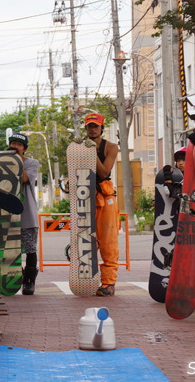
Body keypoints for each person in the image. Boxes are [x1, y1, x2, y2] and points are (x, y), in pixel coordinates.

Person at [84, 112, 120, 296]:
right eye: (89, 126)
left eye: (95, 126)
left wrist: (91, 153)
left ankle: (108, 282)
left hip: (105, 197)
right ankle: (86, 278)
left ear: (101, 128)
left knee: (107, 240)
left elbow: (105, 172)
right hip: (84, 196)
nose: (92, 129)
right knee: (85, 240)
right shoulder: (78, 147)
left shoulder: (111, 147)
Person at [7, 133, 40, 295]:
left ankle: (29, 281)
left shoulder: (32, 163)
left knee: (30, 249)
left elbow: (25, 179)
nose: (14, 147)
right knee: (10, 250)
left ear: (24, 149)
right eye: (12, 144)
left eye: (18, 145)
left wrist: (17, 159)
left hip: (27, 214)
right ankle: (13, 279)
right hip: (7, 215)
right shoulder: (2, 163)